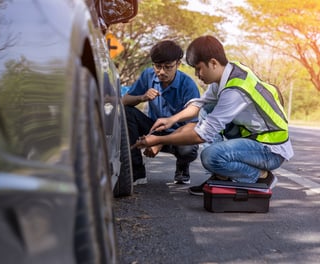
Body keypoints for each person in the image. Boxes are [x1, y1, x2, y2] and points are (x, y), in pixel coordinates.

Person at [131, 35, 294, 195]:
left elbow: (202, 135)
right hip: (253, 138)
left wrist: (159, 140)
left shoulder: (234, 90)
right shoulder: (228, 72)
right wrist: (171, 120)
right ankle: (220, 176)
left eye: (198, 68)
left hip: (270, 150)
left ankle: (261, 176)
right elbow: (200, 104)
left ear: (213, 63)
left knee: (211, 157)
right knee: (207, 108)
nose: (197, 74)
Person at [122, 40, 200, 185]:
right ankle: (137, 171)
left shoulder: (188, 85)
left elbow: (193, 126)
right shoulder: (148, 75)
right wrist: (142, 97)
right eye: (158, 66)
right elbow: (124, 100)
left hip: (179, 133)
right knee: (126, 112)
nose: (162, 72)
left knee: (188, 150)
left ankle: (182, 167)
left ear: (178, 64)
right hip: (154, 128)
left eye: (168, 67)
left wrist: (159, 142)